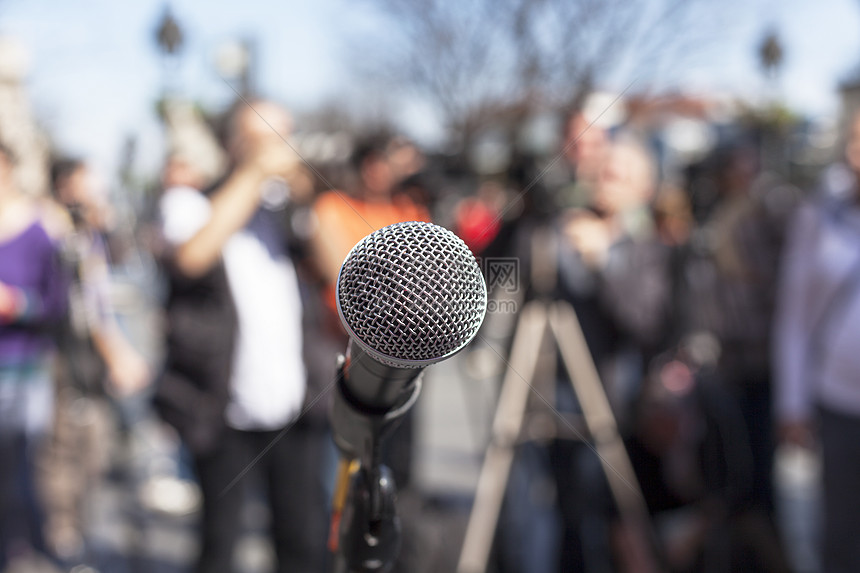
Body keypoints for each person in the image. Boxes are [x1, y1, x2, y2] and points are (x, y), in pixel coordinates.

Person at [154, 99, 328, 573]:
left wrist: (308, 193)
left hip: (295, 402)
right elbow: (192, 257)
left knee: (304, 541)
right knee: (219, 544)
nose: (279, 146)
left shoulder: (289, 208)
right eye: (264, 135)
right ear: (234, 143)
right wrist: (253, 174)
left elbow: (337, 267)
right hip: (220, 406)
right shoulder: (192, 200)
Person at [775, 110, 860, 573]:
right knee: (842, 534)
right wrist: (793, 404)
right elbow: (794, 318)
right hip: (838, 402)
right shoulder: (818, 216)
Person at [0, 143, 69, 570]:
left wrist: (16, 304)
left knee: (20, 470)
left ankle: (18, 544)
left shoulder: (40, 230)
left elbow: (57, 304)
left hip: (23, 370)